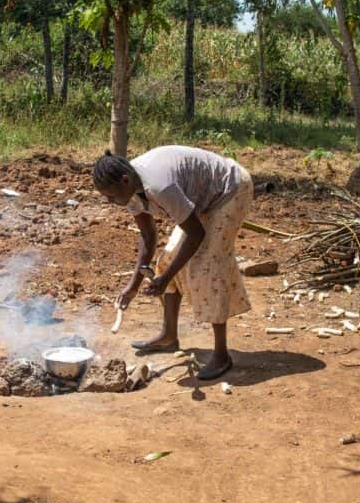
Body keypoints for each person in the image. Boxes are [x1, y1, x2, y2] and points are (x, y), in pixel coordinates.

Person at [92, 145, 254, 381]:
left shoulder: (159, 186)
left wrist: (166, 278)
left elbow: (196, 233)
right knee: (167, 260)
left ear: (125, 180)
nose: (109, 201)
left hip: (229, 190)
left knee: (207, 267)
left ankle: (221, 355)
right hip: (202, 199)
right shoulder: (129, 191)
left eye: (110, 196)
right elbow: (148, 237)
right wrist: (133, 285)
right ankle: (169, 336)